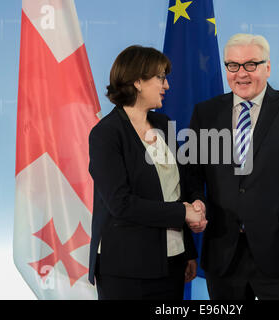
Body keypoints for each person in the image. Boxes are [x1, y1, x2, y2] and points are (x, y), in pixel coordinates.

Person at [187, 33, 279, 300]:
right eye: (233, 65)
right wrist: (196, 200)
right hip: (223, 255)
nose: (241, 74)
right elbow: (193, 175)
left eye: (251, 64)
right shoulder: (205, 112)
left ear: (268, 67)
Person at [88, 45, 206, 300]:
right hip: (126, 270)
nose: (167, 86)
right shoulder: (106, 134)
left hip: (173, 264)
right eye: (161, 78)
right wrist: (182, 212)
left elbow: (181, 182)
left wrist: (196, 207)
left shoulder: (163, 124)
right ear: (138, 81)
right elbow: (121, 204)